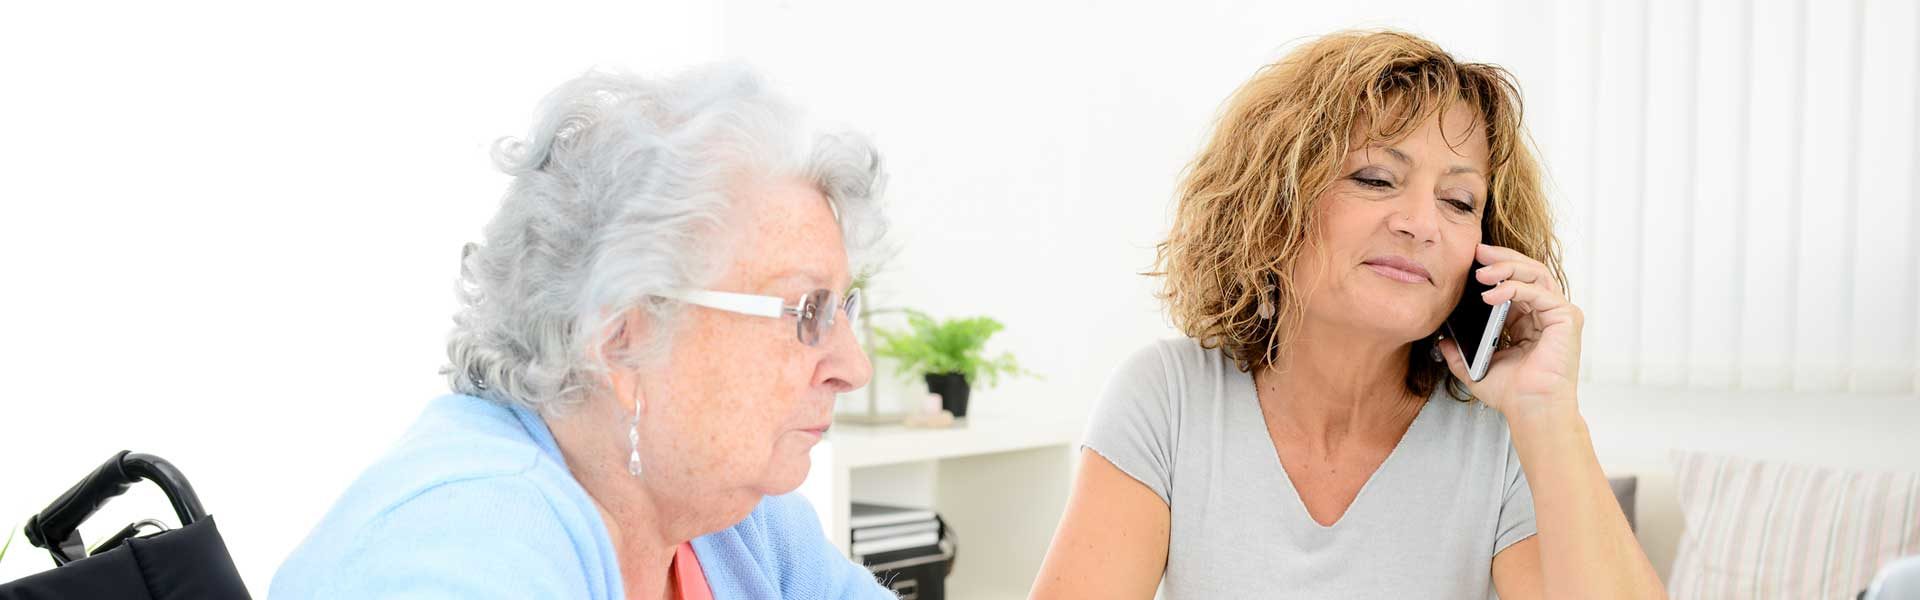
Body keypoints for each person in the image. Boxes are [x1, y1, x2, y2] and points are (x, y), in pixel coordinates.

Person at [1032, 30, 1665, 599]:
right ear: (1274, 204)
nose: (1420, 225)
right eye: (1374, 177)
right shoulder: (1167, 399)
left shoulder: (1501, 439)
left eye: (1457, 200)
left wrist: (1550, 418)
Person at [271, 65, 897, 600]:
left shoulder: (728, 512)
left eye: (842, 307)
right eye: (808, 311)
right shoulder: (463, 544)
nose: (853, 365)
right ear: (622, 341)